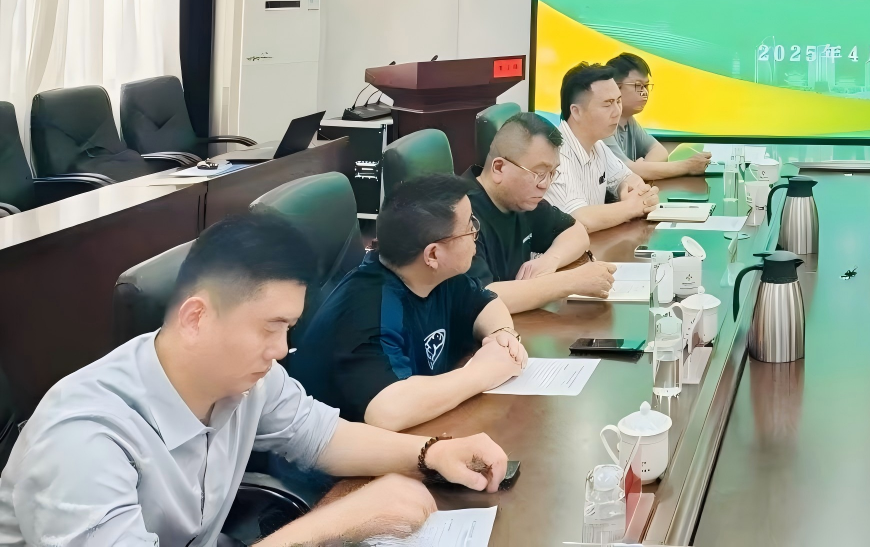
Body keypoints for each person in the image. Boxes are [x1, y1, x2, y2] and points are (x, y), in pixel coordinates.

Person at [0, 213, 509, 547]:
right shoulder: (82, 439)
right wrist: (337, 523)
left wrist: (430, 453)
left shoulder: (244, 380)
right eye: (271, 327)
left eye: (288, 328)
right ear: (197, 318)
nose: (282, 349)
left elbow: (322, 436)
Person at [292, 173, 527, 430]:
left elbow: (485, 303)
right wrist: (483, 372)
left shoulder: (437, 276)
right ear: (433, 254)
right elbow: (387, 411)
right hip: (336, 449)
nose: (475, 234)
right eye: (469, 226)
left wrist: (501, 334)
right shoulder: (369, 309)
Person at [466, 111, 618, 311]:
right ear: (499, 168)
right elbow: (481, 298)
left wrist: (549, 261)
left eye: (552, 173)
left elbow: (576, 231)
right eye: (538, 173)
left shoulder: (520, 199)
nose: (544, 184)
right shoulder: (461, 214)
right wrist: (571, 281)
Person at [545, 61, 660, 230]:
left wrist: (630, 191)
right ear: (576, 111)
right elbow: (579, 220)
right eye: (607, 104)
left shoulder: (597, 144)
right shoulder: (554, 155)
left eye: (618, 101)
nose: (617, 112)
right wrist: (632, 206)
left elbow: (629, 178)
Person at [607, 51, 712, 181]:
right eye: (638, 86)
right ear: (616, 87)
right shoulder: (602, 124)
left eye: (646, 86)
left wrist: (643, 168)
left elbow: (659, 151)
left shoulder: (629, 121)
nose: (645, 92)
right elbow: (626, 171)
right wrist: (688, 166)